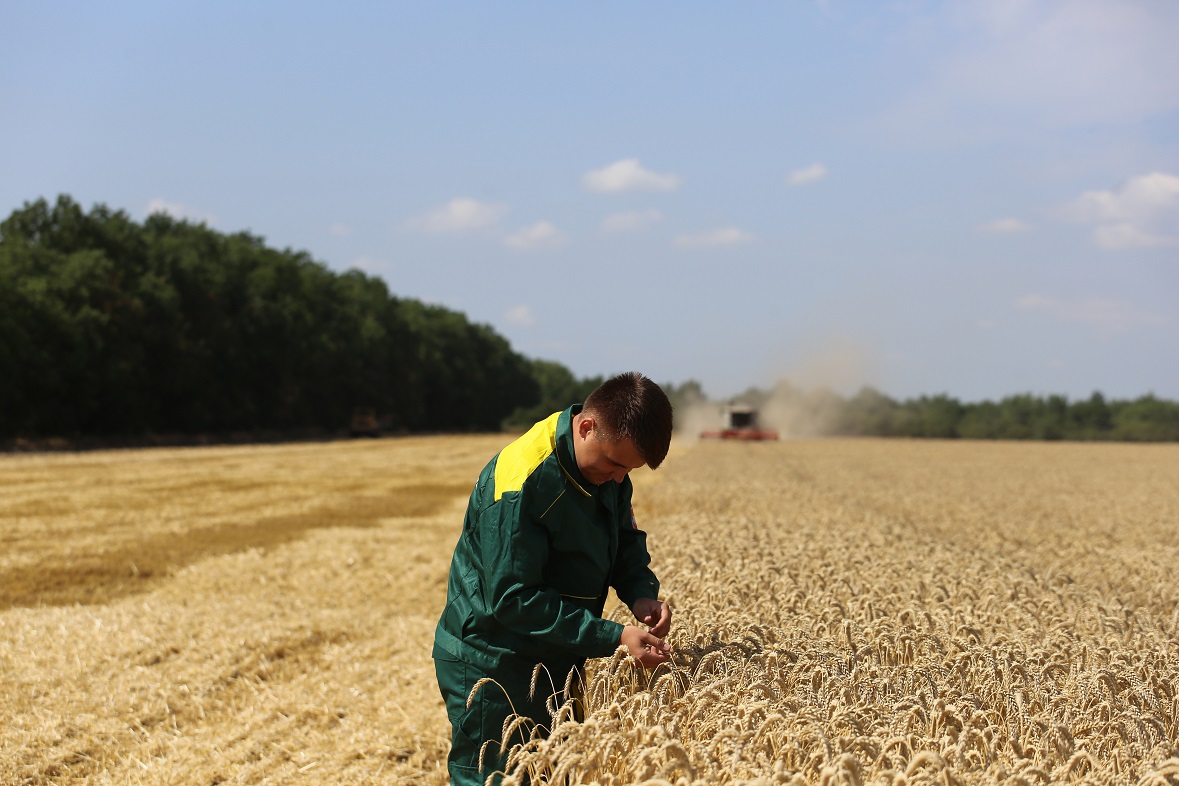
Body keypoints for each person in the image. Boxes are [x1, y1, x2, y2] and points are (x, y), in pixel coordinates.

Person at [432, 371, 674, 786]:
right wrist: (615, 637)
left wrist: (640, 594)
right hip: (493, 662)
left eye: (628, 472)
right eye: (616, 465)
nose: (619, 479)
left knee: (550, 775)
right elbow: (513, 598)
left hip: (554, 655)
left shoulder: (606, 469)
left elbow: (625, 540)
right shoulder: (520, 482)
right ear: (586, 426)